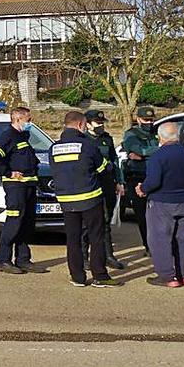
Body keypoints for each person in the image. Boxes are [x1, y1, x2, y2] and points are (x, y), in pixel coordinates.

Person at [49, 111, 123, 288]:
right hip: (90, 198)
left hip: (66, 201)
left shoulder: (54, 148)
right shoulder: (88, 146)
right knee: (96, 237)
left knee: (73, 239)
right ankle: (100, 276)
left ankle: (77, 277)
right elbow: (104, 169)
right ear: (81, 125)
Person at [136, 122, 184, 287]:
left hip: (162, 203)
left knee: (160, 239)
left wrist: (142, 188)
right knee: (182, 239)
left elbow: (154, 182)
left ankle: (167, 277)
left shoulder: (158, 156)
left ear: (160, 137)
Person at [0, 107, 44, 274]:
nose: (30, 123)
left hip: (29, 185)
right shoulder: (8, 136)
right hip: (16, 187)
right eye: (28, 119)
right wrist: (8, 172)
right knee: (14, 222)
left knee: (26, 223)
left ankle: (23, 259)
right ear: (18, 119)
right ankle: (3, 260)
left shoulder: (23, 137)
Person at [82, 110, 125, 270]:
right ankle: (84, 257)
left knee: (106, 221)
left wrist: (119, 181)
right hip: (91, 183)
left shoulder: (107, 138)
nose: (101, 126)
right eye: (97, 123)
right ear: (87, 124)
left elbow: (114, 160)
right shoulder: (83, 139)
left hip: (107, 183)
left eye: (102, 123)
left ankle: (108, 255)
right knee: (88, 223)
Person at [122, 106, 159, 253]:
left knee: (157, 215)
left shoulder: (157, 132)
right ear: (138, 120)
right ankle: (148, 246)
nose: (149, 123)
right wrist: (157, 150)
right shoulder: (131, 134)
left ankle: (157, 244)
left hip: (155, 177)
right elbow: (137, 150)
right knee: (142, 216)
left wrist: (144, 154)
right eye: (146, 120)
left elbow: (142, 153)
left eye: (151, 120)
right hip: (137, 178)